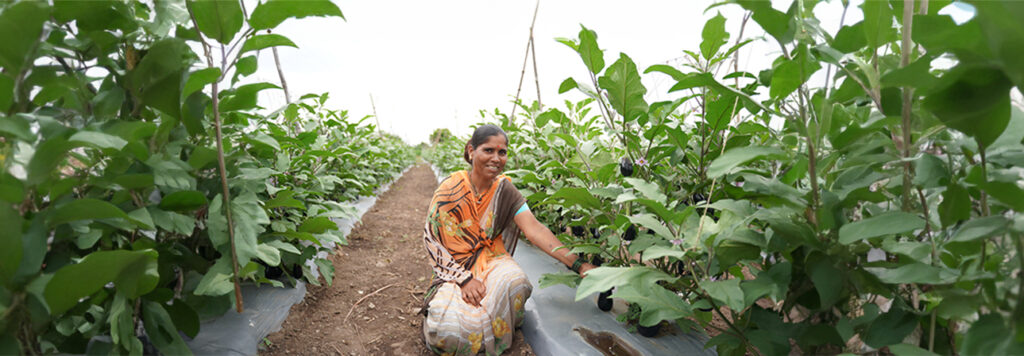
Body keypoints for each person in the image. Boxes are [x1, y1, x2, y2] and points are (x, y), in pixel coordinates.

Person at [421, 124, 597, 355]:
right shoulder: (450, 190)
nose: (496, 158)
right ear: (471, 151)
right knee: (445, 332)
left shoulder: (505, 190)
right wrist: (464, 280)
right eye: (488, 150)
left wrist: (578, 264)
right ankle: (483, 327)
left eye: (502, 152)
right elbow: (432, 241)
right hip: (454, 268)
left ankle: (487, 328)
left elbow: (535, 230)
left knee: (516, 281)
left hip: (492, 259)